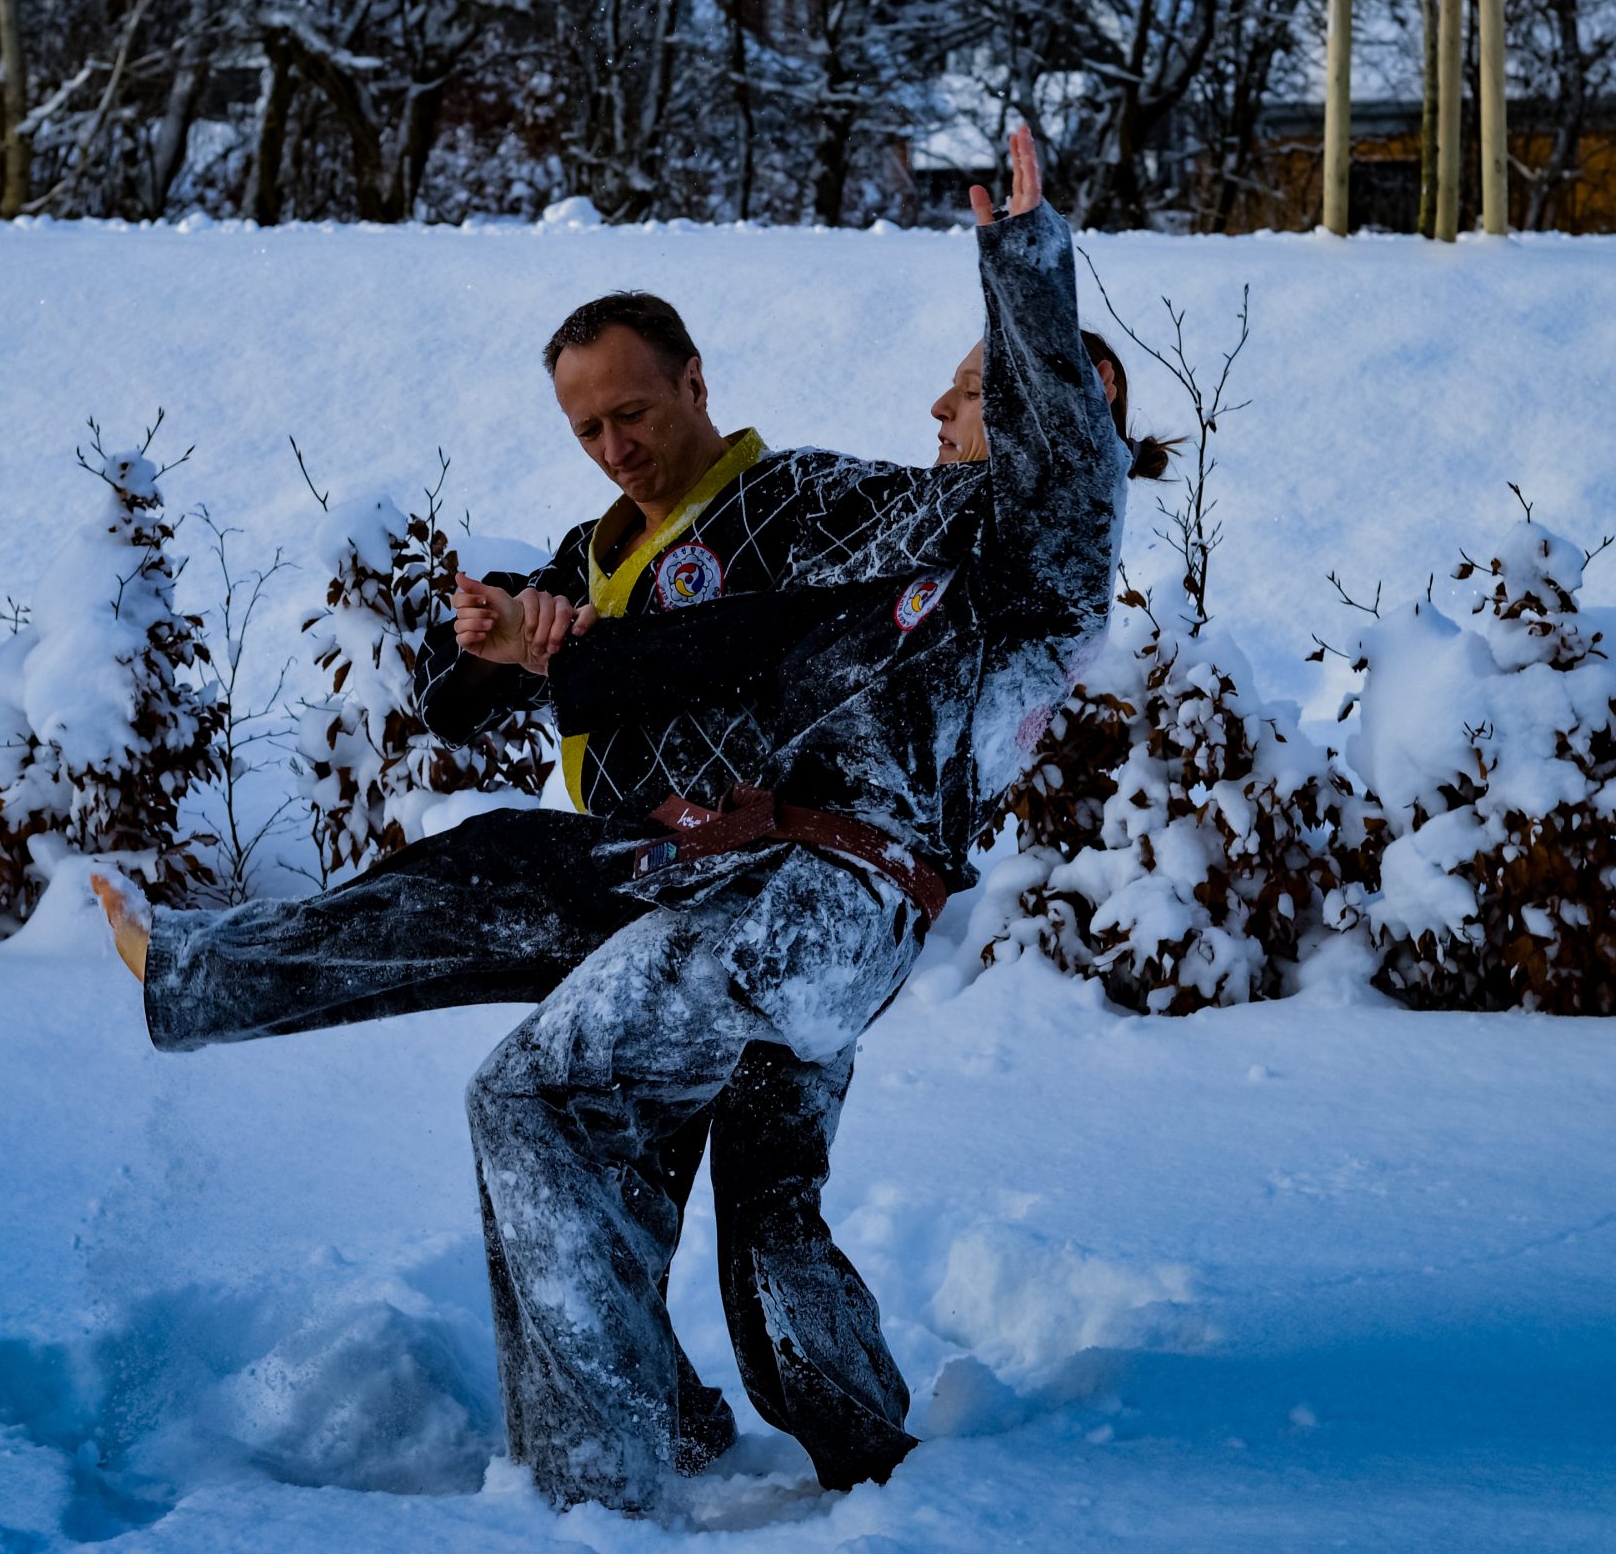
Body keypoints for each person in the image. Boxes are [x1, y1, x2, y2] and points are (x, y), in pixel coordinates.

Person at [93, 126, 1134, 1514]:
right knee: (723, 1174)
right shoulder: (894, 543)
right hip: (704, 879)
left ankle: (593, 1495)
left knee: (538, 1095)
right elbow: (507, 682)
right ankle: (862, 1465)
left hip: (804, 899)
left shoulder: (1008, 562)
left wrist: (1026, 274)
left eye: (977, 394)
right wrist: (507, 641)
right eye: (584, 427)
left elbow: (1040, 471)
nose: (942, 409)